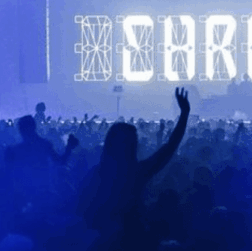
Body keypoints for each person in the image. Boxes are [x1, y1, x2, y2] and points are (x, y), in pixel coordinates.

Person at [78, 88, 191, 250]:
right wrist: (184, 114)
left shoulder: (95, 174)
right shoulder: (136, 173)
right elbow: (169, 147)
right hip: (133, 238)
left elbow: (82, 210)